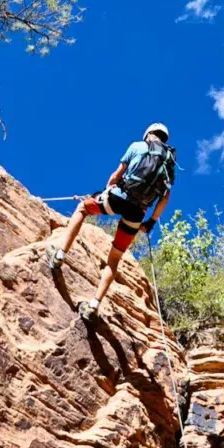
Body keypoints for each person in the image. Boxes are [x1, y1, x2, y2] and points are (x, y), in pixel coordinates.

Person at [46, 123, 175, 321]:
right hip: (137, 212)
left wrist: (105, 191)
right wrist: (151, 222)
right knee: (114, 258)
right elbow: (165, 198)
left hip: (119, 196)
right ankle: (93, 306)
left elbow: (117, 174)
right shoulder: (169, 163)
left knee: (83, 208)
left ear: (148, 134)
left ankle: (60, 255)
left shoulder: (138, 146)